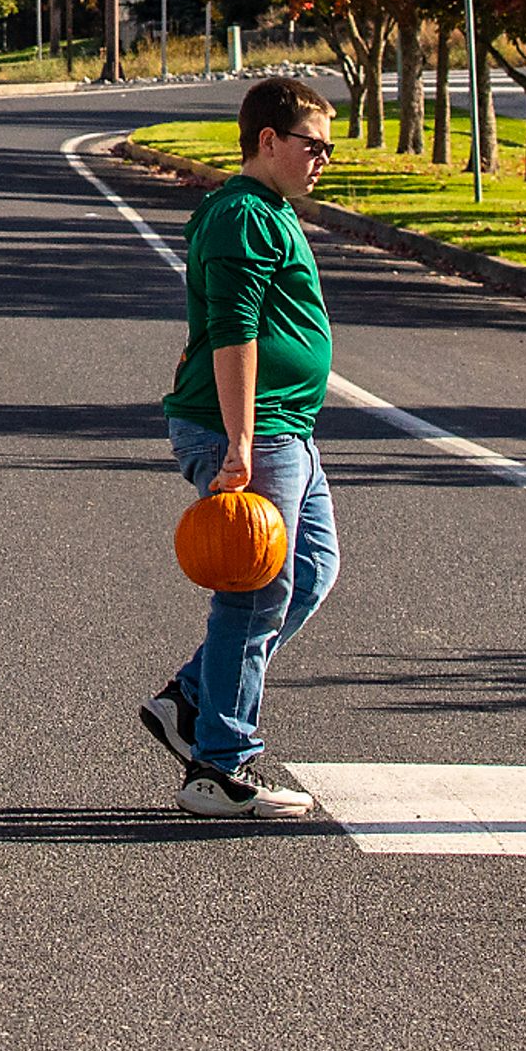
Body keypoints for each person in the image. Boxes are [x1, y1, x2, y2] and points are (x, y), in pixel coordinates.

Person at [146, 76, 338, 820]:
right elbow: (236, 332)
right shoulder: (240, 218)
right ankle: (220, 766)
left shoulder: (270, 211)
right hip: (254, 428)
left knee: (312, 569)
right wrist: (240, 440)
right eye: (311, 145)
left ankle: (192, 698)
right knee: (255, 588)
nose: (321, 159)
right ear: (268, 139)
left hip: (289, 425)